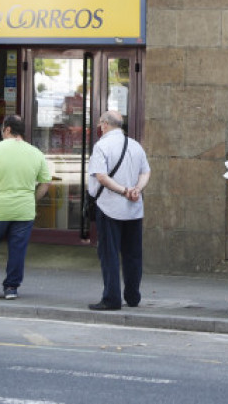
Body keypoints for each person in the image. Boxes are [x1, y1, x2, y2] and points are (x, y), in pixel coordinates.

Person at [0, 115, 51, 300]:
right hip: (24, 210)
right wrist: (32, 200)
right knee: (17, 250)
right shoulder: (35, 153)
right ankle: (11, 288)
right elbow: (45, 183)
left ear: (7, 129)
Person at [88, 111, 151, 311]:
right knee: (133, 254)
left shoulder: (102, 146)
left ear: (105, 124)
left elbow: (101, 177)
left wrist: (124, 191)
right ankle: (133, 296)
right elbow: (145, 172)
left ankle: (111, 298)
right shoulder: (135, 145)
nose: (100, 126)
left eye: (100, 123)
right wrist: (137, 190)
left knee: (110, 254)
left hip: (109, 207)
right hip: (134, 208)